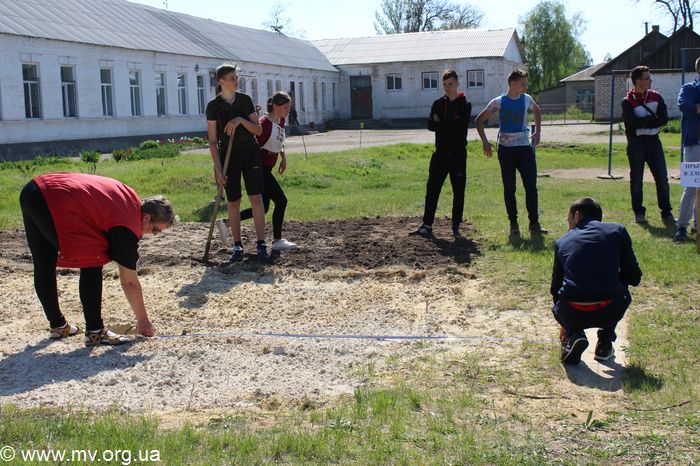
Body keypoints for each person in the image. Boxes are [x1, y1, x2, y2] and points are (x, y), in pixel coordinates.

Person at [19, 173, 176, 346]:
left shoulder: (129, 199)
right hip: (57, 198)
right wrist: (143, 321)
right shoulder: (127, 224)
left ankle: (58, 326)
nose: (152, 234)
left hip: (34, 190)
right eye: (155, 230)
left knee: (44, 262)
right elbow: (129, 281)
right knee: (93, 259)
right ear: (146, 217)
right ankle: (95, 332)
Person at [551, 198, 642, 364]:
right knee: (619, 279)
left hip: (572, 311)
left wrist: (566, 323)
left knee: (571, 284)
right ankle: (604, 344)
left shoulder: (562, 241)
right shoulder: (617, 231)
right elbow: (634, 277)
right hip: (610, 309)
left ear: (577, 215)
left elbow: (555, 288)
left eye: (569, 219)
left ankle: (575, 334)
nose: (568, 224)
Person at [206, 63, 268, 262]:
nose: (236, 80)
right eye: (232, 78)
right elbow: (213, 141)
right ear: (222, 81)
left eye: (236, 77)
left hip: (250, 151)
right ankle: (238, 246)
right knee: (233, 201)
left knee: (256, 197)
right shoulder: (213, 106)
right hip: (228, 156)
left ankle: (261, 243)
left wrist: (240, 120)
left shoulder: (245, 100)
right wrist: (218, 169)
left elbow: (258, 130)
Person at [221, 92, 298, 251]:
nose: (289, 110)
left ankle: (226, 223)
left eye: (289, 107)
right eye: (286, 107)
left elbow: (280, 140)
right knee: (281, 201)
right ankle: (277, 240)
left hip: (268, 168)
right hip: (259, 169)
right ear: (275, 106)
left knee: (264, 207)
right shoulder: (264, 123)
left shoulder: (281, 120)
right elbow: (254, 144)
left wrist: (283, 158)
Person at [476, 69, 547, 236]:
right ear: (513, 84)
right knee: (509, 188)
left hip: (524, 149)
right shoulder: (498, 102)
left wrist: (538, 132)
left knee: (531, 187)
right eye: (523, 84)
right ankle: (513, 223)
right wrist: (485, 142)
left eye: (526, 84)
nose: (525, 87)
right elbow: (479, 120)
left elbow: (537, 110)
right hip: (506, 151)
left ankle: (534, 224)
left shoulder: (526, 99)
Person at [414, 69, 472, 239]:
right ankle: (427, 225)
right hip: (440, 154)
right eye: (445, 84)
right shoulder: (437, 104)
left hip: (458, 155)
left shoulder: (465, 104)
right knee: (432, 189)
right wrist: (449, 123)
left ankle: (456, 226)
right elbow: (430, 126)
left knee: (458, 191)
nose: (447, 87)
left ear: (457, 84)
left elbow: (461, 128)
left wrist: (442, 123)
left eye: (450, 84)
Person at [622, 65, 676, 227]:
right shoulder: (627, 101)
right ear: (638, 81)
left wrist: (645, 123)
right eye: (647, 78)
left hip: (654, 142)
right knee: (636, 179)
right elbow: (633, 123)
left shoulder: (656, 96)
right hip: (636, 144)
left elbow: (664, 119)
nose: (650, 80)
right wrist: (652, 121)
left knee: (662, 178)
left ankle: (666, 212)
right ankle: (639, 212)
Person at [675, 58, 700, 241]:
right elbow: (685, 107)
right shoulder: (689, 88)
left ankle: (697, 224)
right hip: (694, 143)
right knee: (691, 186)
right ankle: (681, 226)